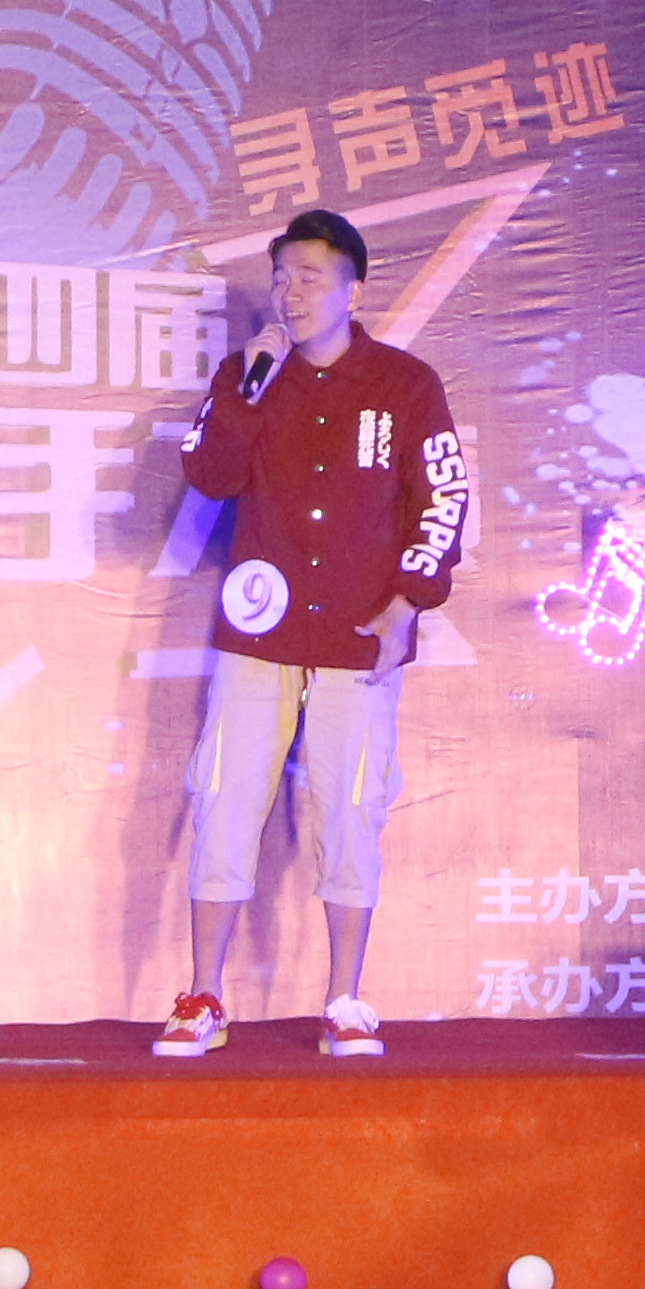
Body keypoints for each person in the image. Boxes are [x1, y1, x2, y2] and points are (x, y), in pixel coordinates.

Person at [155, 208, 468, 1061]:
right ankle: (203, 995)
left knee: (352, 807)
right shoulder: (248, 375)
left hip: (360, 636)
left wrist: (408, 604)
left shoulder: (406, 385)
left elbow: (443, 498)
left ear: (352, 290)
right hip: (259, 635)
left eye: (310, 278)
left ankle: (345, 999)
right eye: (280, 278)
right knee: (224, 798)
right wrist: (247, 390)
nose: (290, 294)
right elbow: (209, 473)